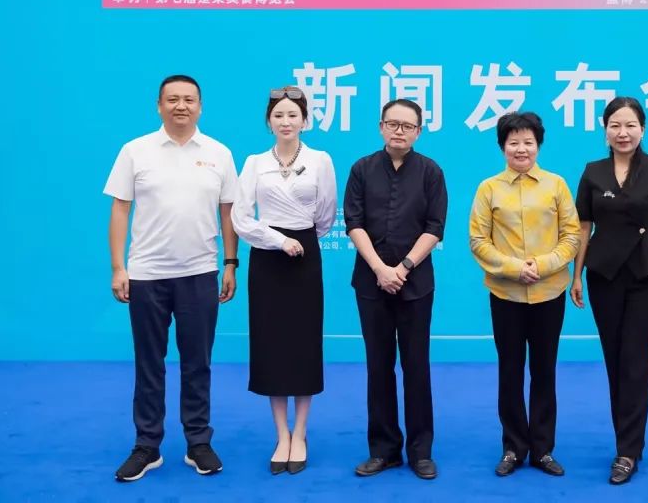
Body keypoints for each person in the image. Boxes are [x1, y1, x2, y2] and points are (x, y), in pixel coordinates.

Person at [106, 74, 239, 482]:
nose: (181, 106)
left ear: (200, 106)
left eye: (189, 99)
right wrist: (119, 267)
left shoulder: (219, 153)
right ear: (159, 105)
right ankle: (147, 446)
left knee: (198, 363)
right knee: (149, 363)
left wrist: (230, 263)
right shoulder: (136, 151)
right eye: (173, 99)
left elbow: (229, 212)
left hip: (200, 273)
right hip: (147, 274)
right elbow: (120, 209)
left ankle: (198, 442)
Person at [569, 96, 648, 485]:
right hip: (603, 274)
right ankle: (626, 439)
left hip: (646, 272)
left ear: (642, 129)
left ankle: (628, 450)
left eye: (631, 125)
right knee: (614, 359)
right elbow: (583, 227)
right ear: (605, 130)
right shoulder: (592, 171)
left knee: (636, 359)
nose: (623, 132)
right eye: (615, 125)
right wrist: (576, 275)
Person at [231, 86, 336, 475]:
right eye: (279, 115)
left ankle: (301, 433)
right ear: (268, 121)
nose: (286, 121)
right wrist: (279, 240)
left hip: (305, 257)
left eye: (293, 115)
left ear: (305, 120)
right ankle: (281, 435)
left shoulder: (320, 160)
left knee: (303, 345)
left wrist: (301, 240)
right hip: (267, 257)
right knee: (271, 345)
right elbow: (241, 217)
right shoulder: (255, 162)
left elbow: (325, 215)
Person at [469, 112, 580, 478]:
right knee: (510, 370)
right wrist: (514, 267)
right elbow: (478, 241)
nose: (521, 149)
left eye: (528, 142)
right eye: (513, 142)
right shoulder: (488, 189)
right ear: (503, 146)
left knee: (544, 370)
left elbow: (572, 236)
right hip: (506, 294)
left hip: (549, 292)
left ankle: (543, 449)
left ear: (538, 145)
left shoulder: (556, 185)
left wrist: (543, 264)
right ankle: (514, 447)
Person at [344, 99, 447, 481]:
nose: (399, 130)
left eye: (407, 125)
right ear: (381, 127)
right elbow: (353, 222)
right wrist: (379, 268)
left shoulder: (431, 171)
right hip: (371, 282)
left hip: (415, 284)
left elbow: (435, 227)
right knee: (378, 366)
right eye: (392, 123)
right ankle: (384, 450)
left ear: (419, 131)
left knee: (416, 366)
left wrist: (402, 267)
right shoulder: (362, 169)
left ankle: (420, 452)